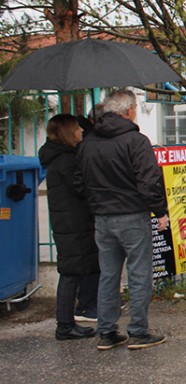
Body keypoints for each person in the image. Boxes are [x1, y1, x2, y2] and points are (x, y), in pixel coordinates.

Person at [76, 90, 168, 350]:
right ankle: (138, 331)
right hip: (132, 216)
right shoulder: (135, 140)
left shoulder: (88, 143)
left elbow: (80, 181)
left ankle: (106, 331)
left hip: (102, 218)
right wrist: (159, 211)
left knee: (108, 275)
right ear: (129, 111)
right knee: (139, 275)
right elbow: (149, 180)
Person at [38, 114, 99, 341]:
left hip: (71, 223)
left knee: (74, 271)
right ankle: (64, 325)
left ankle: (67, 323)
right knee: (71, 273)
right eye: (77, 129)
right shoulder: (65, 161)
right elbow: (81, 188)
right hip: (73, 224)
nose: (81, 132)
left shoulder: (61, 157)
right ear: (68, 133)